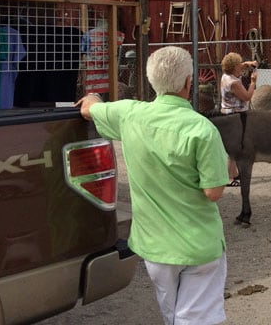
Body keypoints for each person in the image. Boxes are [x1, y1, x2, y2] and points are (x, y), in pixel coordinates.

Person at [77, 46, 229, 325]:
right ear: (188, 82)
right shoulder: (202, 129)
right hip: (198, 244)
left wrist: (92, 97)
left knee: (172, 315)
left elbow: (89, 109)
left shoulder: (129, 114)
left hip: (155, 246)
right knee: (197, 318)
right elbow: (213, 191)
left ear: (150, 80)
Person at [220, 52, 259, 186]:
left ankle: (234, 174)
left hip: (227, 113)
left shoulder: (226, 76)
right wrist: (253, 82)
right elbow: (247, 96)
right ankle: (230, 178)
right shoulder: (234, 82)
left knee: (233, 147)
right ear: (234, 67)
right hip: (236, 116)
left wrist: (248, 64)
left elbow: (238, 65)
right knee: (234, 148)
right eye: (239, 65)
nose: (241, 67)